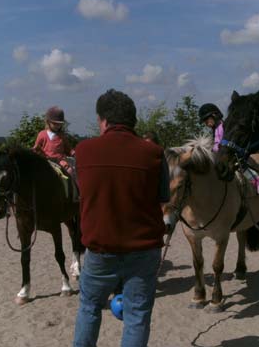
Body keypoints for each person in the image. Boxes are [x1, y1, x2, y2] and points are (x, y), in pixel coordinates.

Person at [73, 89, 170, 347]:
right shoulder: (155, 154)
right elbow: (162, 198)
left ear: (103, 121)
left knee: (89, 309)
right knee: (136, 315)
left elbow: (83, 192)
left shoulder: (83, 151)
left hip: (99, 248)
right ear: (132, 120)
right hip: (143, 249)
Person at [198, 103, 259, 201]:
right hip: (221, 154)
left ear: (214, 115)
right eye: (204, 121)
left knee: (244, 168)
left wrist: (216, 148)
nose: (205, 123)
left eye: (206, 120)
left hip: (232, 153)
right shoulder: (215, 130)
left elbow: (224, 142)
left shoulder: (224, 126)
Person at [33, 106, 75, 176]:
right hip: (46, 161)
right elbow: (36, 147)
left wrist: (74, 153)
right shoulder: (42, 134)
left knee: (70, 171)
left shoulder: (62, 136)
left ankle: (70, 187)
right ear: (48, 122)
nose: (57, 126)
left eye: (59, 124)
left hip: (60, 161)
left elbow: (68, 149)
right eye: (55, 124)